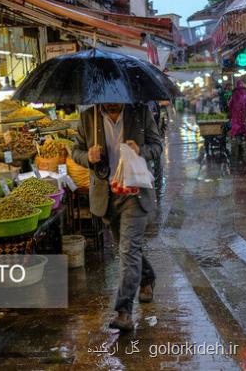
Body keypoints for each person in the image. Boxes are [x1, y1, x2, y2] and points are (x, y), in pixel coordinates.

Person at [72, 103, 163, 331]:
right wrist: (88, 157)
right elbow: (76, 151)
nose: (112, 101)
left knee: (127, 249)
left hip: (135, 194)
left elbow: (157, 146)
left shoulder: (140, 112)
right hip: (107, 195)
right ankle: (147, 277)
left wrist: (140, 149)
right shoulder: (88, 117)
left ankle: (124, 312)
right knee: (124, 247)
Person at [228, 80, 246, 165]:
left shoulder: (233, 96)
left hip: (236, 124)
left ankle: (235, 160)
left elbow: (229, 107)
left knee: (235, 143)